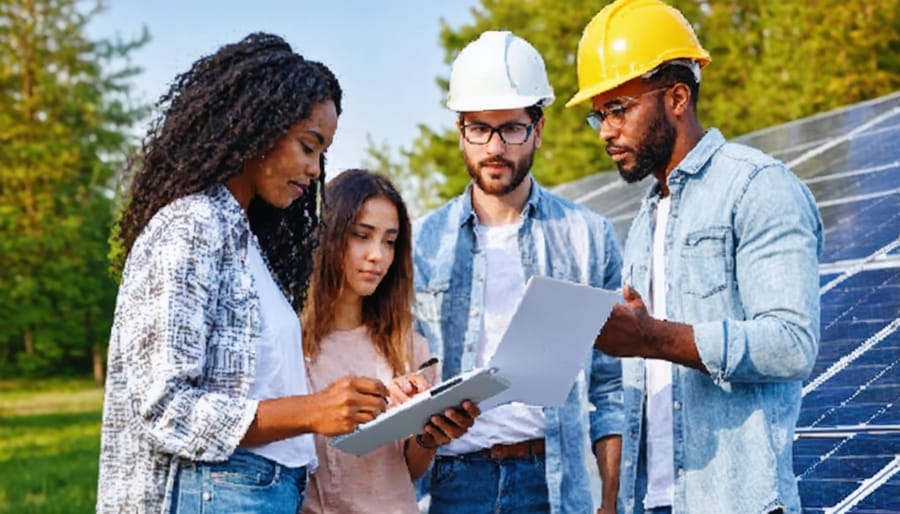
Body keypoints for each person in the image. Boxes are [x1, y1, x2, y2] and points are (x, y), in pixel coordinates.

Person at [97, 33, 392, 514]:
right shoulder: (192, 225)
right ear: (257, 127)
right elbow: (164, 406)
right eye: (308, 146)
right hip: (216, 492)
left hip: (258, 492)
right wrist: (314, 412)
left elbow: (254, 393)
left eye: (323, 153)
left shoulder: (244, 241)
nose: (317, 170)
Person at [565, 1, 824, 513]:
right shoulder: (643, 221)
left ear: (678, 97)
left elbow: (793, 344)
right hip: (654, 502)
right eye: (600, 114)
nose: (604, 132)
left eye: (618, 109)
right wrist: (613, 500)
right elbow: (637, 380)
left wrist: (654, 338)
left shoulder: (757, 187)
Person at [413, 30, 625, 514]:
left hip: (549, 483)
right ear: (460, 130)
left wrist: (610, 500)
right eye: (479, 129)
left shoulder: (587, 237)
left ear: (539, 128)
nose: (494, 147)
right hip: (449, 485)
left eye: (511, 128)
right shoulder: (419, 243)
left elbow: (611, 387)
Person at [300, 169, 479, 514]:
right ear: (329, 235)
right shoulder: (291, 342)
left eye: (389, 241)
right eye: (362, 236)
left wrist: (430, 436)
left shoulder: (409, 346)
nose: (377, 256)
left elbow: (406, 472)